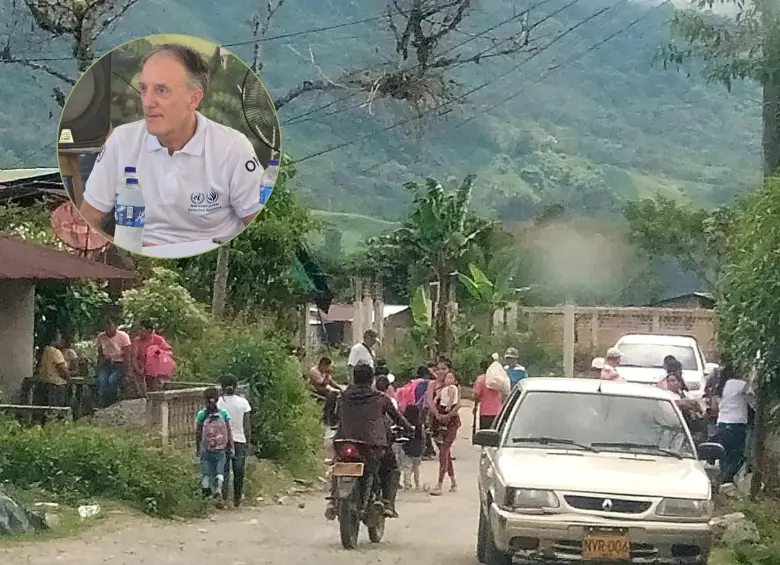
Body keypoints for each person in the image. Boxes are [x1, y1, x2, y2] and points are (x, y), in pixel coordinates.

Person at [79, 43, 266, 247]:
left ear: (193, 99)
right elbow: (89, 218)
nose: (148, 102)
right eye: (143, 89)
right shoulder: (122, 141)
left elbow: (257, 229)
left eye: (161, 90)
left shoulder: (233, 148)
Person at [325, 363, 411, 520]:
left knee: (337, 463)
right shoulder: (380, 398)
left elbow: (332, 418)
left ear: (353, 378)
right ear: (372, 379)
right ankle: (387, 503)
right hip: (372, 446)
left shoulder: (341, 396)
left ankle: (332, 501)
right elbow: (398, 418)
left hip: (343, 441)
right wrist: (410, 429)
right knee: (391, 467)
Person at [713, 363, 755, 485]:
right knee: (737, 455)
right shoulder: (737, 384)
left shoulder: (721, 386)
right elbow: (751, 391)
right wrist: (753, 377)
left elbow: (715, 406)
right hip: (736, 425)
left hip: (722, 424)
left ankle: (723, 481)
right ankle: (725, 481)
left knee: (725, 456)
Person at [426, 358, 461, 496]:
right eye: (439, 369)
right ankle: (453, 481)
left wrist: (448, 415)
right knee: (445, 452)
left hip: (451, 422)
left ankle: (440, 484)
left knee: (444, 451)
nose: (441, 372)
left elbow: (458, 404)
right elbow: (429, 401)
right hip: (437, 422)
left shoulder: (453, 387)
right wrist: (437, 415)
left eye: (444, 369)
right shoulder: (432, 385)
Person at [195, 387, 234, 508]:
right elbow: (228, 431)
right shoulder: (223, 414)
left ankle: (205, 494)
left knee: (206, 472)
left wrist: (198, 448)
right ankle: (218, 489)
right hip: (220, 449)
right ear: (217, 399)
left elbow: (198, 433)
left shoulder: (201, 414)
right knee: (219, 470)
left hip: (205, 448)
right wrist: (230, 446)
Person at [217, 374, 252, 508]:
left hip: (222, 441)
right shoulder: (243, 402)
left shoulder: (219, 403)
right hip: (239, 440)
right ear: (236, 386)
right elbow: (246, 425)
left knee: (224, 469)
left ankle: (224, 498)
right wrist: (248, 441)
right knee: (239, 470)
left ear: (222, 386)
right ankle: (237, 499)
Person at [131, 320, 173, 396]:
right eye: (138, 330)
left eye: (141, 330)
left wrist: (156, 353)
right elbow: (134, 359)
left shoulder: (158, 339)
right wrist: (139, 370)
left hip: (157, 369)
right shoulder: (137, 341)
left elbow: (169, 352)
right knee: (148, 391)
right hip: (143, 369)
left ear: (148, 330)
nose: (139, 332)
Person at [95, 319, 132, 407]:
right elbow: (100, 354)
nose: (108, 328)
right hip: (107, 362)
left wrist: (128, 370)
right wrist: (98, 368)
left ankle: (112, 402)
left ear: (115, 326)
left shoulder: (123, 336)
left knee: (112, 380)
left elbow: (127, 355)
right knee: (102, 380)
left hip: (119, 363)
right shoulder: (101, 337)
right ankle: (104, 402)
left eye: (110, 326)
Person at [33, 332, 71, 408]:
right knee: (56, 410)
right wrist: (69, 379)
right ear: (54, 340)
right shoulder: (56, 352)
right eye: (60, 338)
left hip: (43, 382)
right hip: (56, 385)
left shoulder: (44, 350)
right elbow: (62, 369)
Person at [309, 356, 341, 427]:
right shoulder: (314, 371)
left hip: (325, 388)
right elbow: (323, 384)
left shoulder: (324, 371)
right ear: (322, 365)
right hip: (316, 389)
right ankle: (327, 416)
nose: (327, 368)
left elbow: (331, 382)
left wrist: (340, 388)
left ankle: (336, 417)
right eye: (326, 367)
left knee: (338, 394)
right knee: (332, 395)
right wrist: (327, 375)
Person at [473, 359, 502, 430]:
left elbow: (476, 395)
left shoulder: (481, 379)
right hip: (498, 411)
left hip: (485, 412)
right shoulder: (497, 379)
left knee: (485, 434)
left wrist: (475, 407)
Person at [400, 404, 424, 490]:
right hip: (417, 449)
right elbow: (422, 437)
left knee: (407, 467)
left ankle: (407, 484)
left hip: (407, 448)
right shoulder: (419, 424)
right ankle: (417, 484)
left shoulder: (405, 424)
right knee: (416, 468)